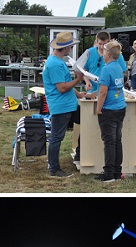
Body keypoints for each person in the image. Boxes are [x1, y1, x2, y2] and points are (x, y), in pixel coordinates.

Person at [74, 31, 127, 168]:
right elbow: (81, 70)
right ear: (96, 41)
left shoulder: (112, 62)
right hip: (97, 95)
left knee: (110, 140)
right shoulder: (90, 52)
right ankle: (81, 155)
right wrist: (87, 81)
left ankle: (109, 170)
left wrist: (99, 108)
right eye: (100, 44)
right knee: (86, 126)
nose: (102, 47)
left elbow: (106, 88)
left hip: (106, 101)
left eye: (105, 45)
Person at [42, 31, 86, 177]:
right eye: (71, 46)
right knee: (57, 137)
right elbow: (62, 88)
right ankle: (54, 169)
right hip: (61, 106)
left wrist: (79, 94)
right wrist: (79, 79)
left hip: (68, 104)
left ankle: (80, 154)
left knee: (87, 123)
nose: (72, 49)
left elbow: (65, 84)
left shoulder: (57, 61)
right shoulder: (55, 64)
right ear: (66, 48)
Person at [95, 40, 127, 182]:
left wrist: (98, 108)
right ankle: (117, 172)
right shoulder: (118, 67)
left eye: (103, 51)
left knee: (109, 142)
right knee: (117, 140)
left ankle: (108, 174)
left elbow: (102, 92)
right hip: (120, 107)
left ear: (107, 54)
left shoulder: (106, 69)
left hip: (109, 109)